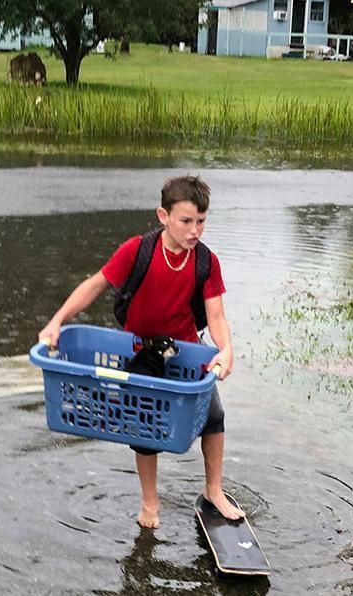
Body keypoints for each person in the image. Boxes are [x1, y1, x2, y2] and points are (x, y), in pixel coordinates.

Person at [38, 175, 245, 529]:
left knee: (214, 415)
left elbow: (216, 315)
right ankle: (150, 503)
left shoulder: (206, 262)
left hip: (184, 351)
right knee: (144, 428)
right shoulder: (138, 250)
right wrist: (56, 322)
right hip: (139, 351)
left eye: (201, 221)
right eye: (186, 221)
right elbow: (94, 286)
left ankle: (214, 490)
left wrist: (226, 349)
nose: (195, 230)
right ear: (163, 216)